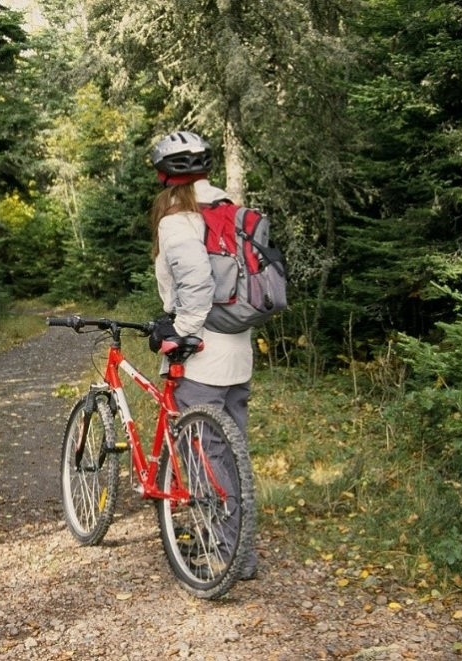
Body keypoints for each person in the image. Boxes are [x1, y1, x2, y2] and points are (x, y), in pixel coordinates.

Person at [148, 131, 258, 579]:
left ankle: (229, 553)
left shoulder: (179, 220)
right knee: (234, 455)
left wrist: (181, 332)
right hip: (239, 351)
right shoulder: (233, 212)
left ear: (163, 175)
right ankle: (241, 549)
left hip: (202, 355)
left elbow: (196, 286)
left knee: (204, 455)